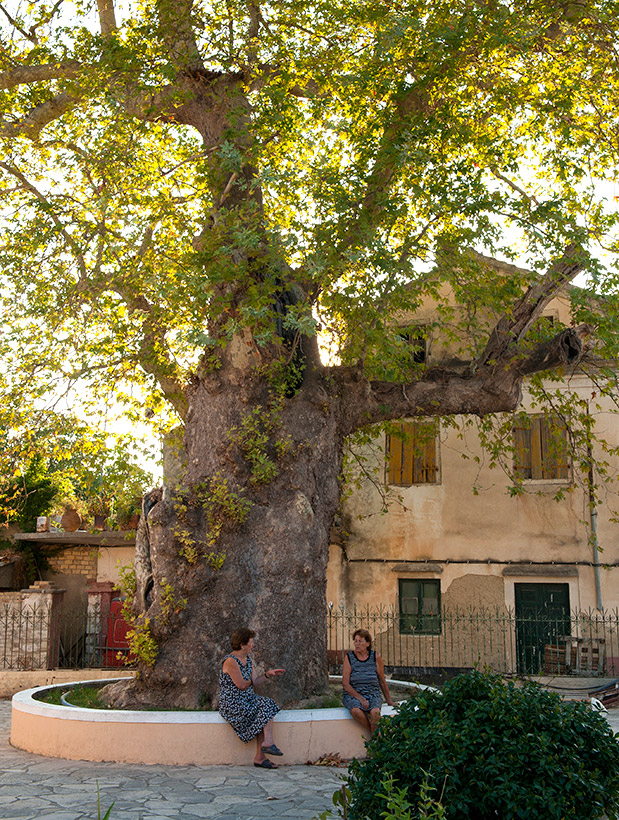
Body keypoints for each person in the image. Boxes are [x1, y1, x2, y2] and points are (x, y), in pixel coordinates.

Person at [219, 627, 286, 769]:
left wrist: (267, 675)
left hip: (247, 700)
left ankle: (260, 757)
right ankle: (268, 743)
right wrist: (250, 681)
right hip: (233, 704)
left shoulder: (248, 659)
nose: (253, 645)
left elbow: (255, 681)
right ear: (242, 644)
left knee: (264, 711)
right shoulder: (230, 661)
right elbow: (242, 685)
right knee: (265, 705)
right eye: (251, 642)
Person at [342, 628, 394, 735]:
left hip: (373, 693)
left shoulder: (375, 657)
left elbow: (382, 680)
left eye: (360, 641)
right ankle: (375, 735)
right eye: (355, 641)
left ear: (368, 643)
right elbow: (345, 684)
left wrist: (389, 701)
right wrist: (361, 699)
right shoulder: (349, 657)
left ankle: (374, 740)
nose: (357, 644)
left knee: (375, 713)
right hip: (354, 695)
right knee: (355, 711)